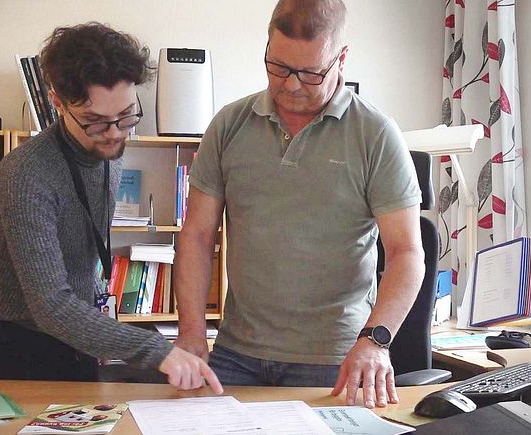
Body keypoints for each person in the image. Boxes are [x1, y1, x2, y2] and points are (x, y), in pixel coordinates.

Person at [174, 0, 424, 408]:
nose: (291, 85)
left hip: (336, 359)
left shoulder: (376, 135)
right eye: (278, 67)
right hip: (237, 352)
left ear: (341, 58)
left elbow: (406, 253)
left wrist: (375, 341)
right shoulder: (229, 125)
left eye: (310, 73)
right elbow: (197, 236)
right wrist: (191, 332)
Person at [0, 22, 222, 394]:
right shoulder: (26, 173)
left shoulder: (109, 152)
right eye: (95, 122)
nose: (114, 133)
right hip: (9, 351)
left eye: (126, 116)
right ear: (57, 102)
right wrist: (157, 351)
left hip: (73, 343)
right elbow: (50, 304)